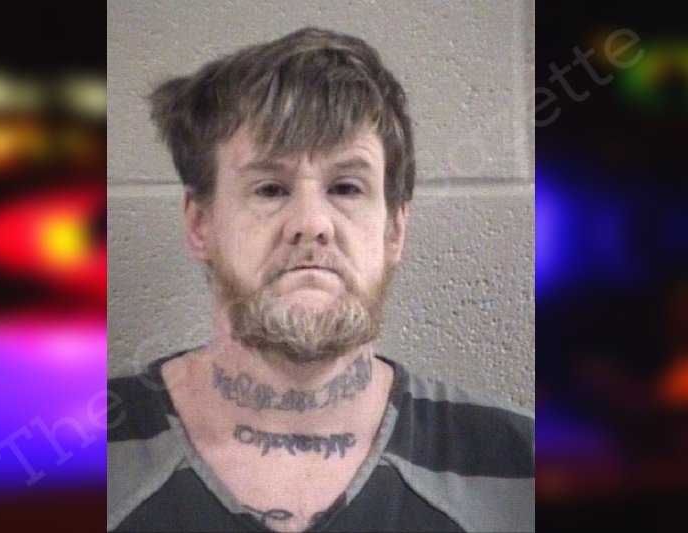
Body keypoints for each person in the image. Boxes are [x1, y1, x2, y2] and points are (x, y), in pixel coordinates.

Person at [107, 27, 534, 532]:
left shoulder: (522, 469)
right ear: (200, 224)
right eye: (270, 189)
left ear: (395, 229)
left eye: (346, 187)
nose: (311, 223)